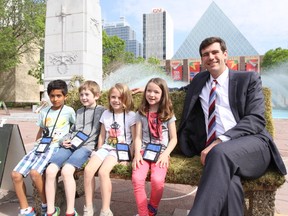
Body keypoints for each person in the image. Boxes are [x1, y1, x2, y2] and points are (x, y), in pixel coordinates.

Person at [177, 37, 287, 215]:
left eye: (215, 52)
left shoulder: (248, 79)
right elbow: (180, 90)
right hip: (223, 156)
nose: (211, 57)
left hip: (253, 144)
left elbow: (256, 119)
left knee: (219, 153)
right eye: (206, 54)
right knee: (230, 182)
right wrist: (149, 88)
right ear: (202, 60)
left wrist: (220, 141)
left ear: (225, 55)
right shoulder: (200, 80)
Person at [11, 79, 76, 216]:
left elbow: (75, 129)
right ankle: (26, 210)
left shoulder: (69, 111)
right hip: (40, 147)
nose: (55, 99)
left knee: (35, 173)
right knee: (15, 175)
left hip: (55, 147)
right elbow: (41, 130)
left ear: (65, 96)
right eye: (52, 96)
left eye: (59, 96)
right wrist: (35, 146)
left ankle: (46, 206)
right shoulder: (44, 112)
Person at [45, 81, 105, 216]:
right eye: (81, 94)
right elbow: (73, 130)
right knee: (50, 170)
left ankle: (70, 211)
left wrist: (98, 149)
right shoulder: (78, 111)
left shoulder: (102, 111)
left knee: (66, 171)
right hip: (71, 144)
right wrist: (63, 140)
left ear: (96, 96)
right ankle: (50, 211)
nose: (83, 97)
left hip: (86, 148)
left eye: (87, 94)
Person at [84, 83, 136, 216]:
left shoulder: (131, 115)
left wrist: (129, 157)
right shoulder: (106, 114)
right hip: (106, 147)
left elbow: (135, 139)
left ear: (126, 98)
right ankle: (88, 207)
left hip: (120, 150)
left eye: (120, 97)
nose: (116, 100)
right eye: (113, 97)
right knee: (88, 170)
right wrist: (98, 151)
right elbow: (102, 135)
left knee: (103, 172)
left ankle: (105, 209)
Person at [132, 77, 177, 216]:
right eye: (149, 91)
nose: (152, 95)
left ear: (163, 95)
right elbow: (138, 136)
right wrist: (137, 154)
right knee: (137, 179)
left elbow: (174, 139)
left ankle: (152, 208)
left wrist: (165, 154)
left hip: (161, 152)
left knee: (157, 180)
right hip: (143, 150)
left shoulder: (168, 113)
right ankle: (144, 213)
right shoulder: (141, 113)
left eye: (156, 92)